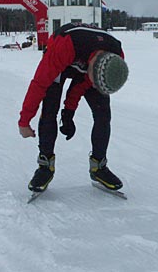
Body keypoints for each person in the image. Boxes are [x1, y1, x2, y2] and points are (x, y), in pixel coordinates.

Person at [18, 23, 129, 193]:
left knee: (103, 113)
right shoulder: (65, 46)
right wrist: (24, 121)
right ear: (91, 66)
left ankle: (98, 167)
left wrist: (69, 112)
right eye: (93, 80)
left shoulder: (116, 56)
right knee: (49, 110)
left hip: (88, 61)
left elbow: (83, 83)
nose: (93, 84)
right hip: (64, 55)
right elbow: (39, 84)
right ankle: (45, 166)